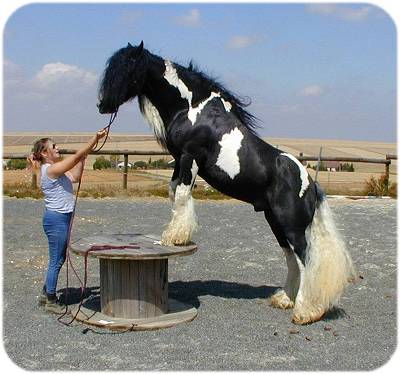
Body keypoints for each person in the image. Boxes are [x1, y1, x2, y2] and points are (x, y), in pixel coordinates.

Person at [27, 129, 107, 314]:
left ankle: (46, 293)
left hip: (61, 219)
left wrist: (83, 158)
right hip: (56, 220)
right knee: (56, 260)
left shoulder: (57, 171)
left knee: (59, 258)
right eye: (53, 147)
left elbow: (75, 177)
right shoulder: (52, 169)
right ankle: (51, 300)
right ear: (45, 153)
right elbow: (77, 155)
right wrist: (94, 139)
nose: (58, 148)